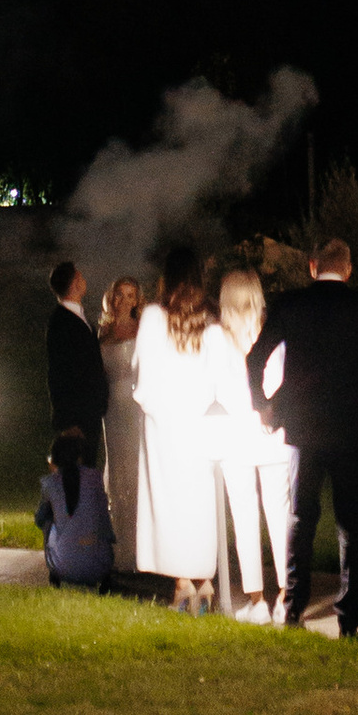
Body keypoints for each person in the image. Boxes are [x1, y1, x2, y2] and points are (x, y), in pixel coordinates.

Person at [249, 236, 358, 634]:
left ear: (313, 266)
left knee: (301, 517)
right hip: (351, 427)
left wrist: (264, 404)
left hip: (304, 426)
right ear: (348, 269)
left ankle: (293, 605)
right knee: (352, 523)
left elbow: (255, 357)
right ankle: (348, 616)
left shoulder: (292, 304)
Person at [134, 245, 243, 607]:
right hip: (200, 426)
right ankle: (205, 580)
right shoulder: (211, 325)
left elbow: (144, 379)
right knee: (200, 503)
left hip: (164, 426)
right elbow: (222, 381)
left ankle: (182, 582)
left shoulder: (153, 318)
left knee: (170, 504)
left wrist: (153, 405)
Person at [214, 264, 292, 621]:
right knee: (280, 514)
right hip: (270, 431)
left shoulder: (217, 338)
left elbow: (216, 388)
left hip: (235, 435)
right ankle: (286, 596)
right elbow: (280, 380)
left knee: (244, 516)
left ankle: (257, 600)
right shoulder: (273, 332)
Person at [98, 275, 146, 583]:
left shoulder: (142, 330)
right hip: (111, 412)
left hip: (137, 409)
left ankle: (142, 551)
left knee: (137, 472)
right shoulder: (103, 332)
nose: (125, 300)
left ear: (137, 300)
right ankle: (120, 550)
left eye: (130, 295)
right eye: (120, 294)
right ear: (112, 297)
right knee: (116, 474)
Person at [36, 423, 118, 590]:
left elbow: (39, 519)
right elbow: (104, 519)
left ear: (54, 458)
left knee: (48, 518)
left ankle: (55, 574)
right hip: (99, 567)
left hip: (64, 568)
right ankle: (104, 577)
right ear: (79, 456)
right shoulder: (95, 478)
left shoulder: (50, 483)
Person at [47, 257, 105, 466]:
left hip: (90, 409)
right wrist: (68, 421)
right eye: (80, 276)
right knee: (79, 469)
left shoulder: (79, 317)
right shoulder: (61, 322)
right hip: (78, 414)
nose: (84, 280)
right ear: (74, 283)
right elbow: (58, 373)